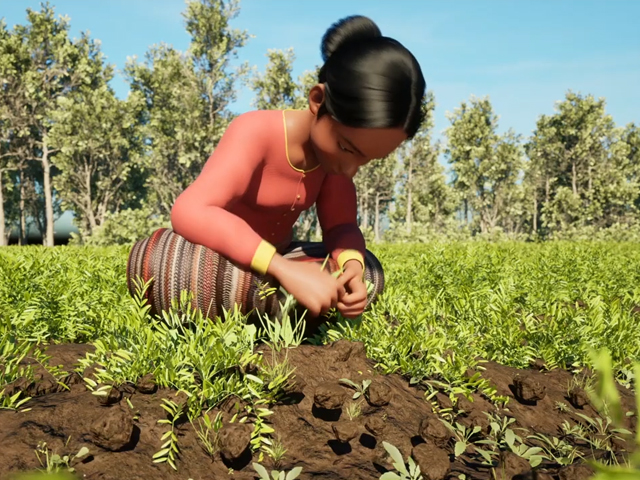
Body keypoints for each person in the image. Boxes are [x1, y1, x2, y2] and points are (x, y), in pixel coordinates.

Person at [126, 15, 426, 324]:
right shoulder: (254, 131)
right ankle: (281, 302)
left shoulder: (334, 166)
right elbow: (190, 211)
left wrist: (351, 269)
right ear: (317, 99)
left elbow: (341, 228)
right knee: (163, 265)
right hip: (224, 259)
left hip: (282, 258)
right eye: (347, 148)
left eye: (366, 160)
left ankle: (269, 302)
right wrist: (283, 270)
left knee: (370, 271)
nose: (350, 170)